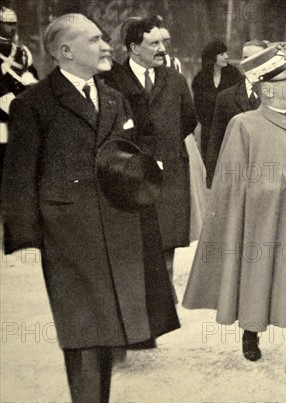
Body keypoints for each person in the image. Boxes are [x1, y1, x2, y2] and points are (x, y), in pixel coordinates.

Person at [1, 14, 180, 403]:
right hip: (68, 235)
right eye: (95, 40)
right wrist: (27, 238)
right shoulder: (34, 103)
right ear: (66, 51)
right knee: (82, 332)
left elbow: (125, 157)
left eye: (104, 39)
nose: (106, 47)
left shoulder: (114, 97)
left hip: (117, 227)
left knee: (109, 330)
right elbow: (18, 176)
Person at [183, 45, 286, 381]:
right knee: (259, 279)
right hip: (262, 224)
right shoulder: (244, 125)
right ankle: (251, 332)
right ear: (267, 87)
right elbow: (233, 185)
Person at [102, 15, 197, 298]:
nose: (162, 49)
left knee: (167, 234)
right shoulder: (111, 81)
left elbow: (189, 120)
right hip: (128, 170)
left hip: (170, 168)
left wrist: (164, 146)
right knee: (132, 234)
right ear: (133, 48)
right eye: (153, 43)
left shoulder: (176, 80)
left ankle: (163, 296)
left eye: (162, 42)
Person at [204, 39, 267, 188]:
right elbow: (215, 142)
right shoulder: (226, 97)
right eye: (246, 58)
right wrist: (213, 181)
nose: (250, 62)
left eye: (256, 58)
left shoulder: (275, 97)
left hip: (267, 176)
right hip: (235, 177)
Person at [0, 5, 37, 195]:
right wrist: (15, 107)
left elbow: (31, 77)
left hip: (22, 114)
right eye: (7, 24)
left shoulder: (22, 52)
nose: (12, 28)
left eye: (14, 24)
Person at [192, 40, 242, 161]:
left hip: (229, 129)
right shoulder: (201, 78)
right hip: (208, 131)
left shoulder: (234, 75)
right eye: (221, 54)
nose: (227, 56)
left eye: (226, 53)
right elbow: (198, 106)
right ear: (212, 57)